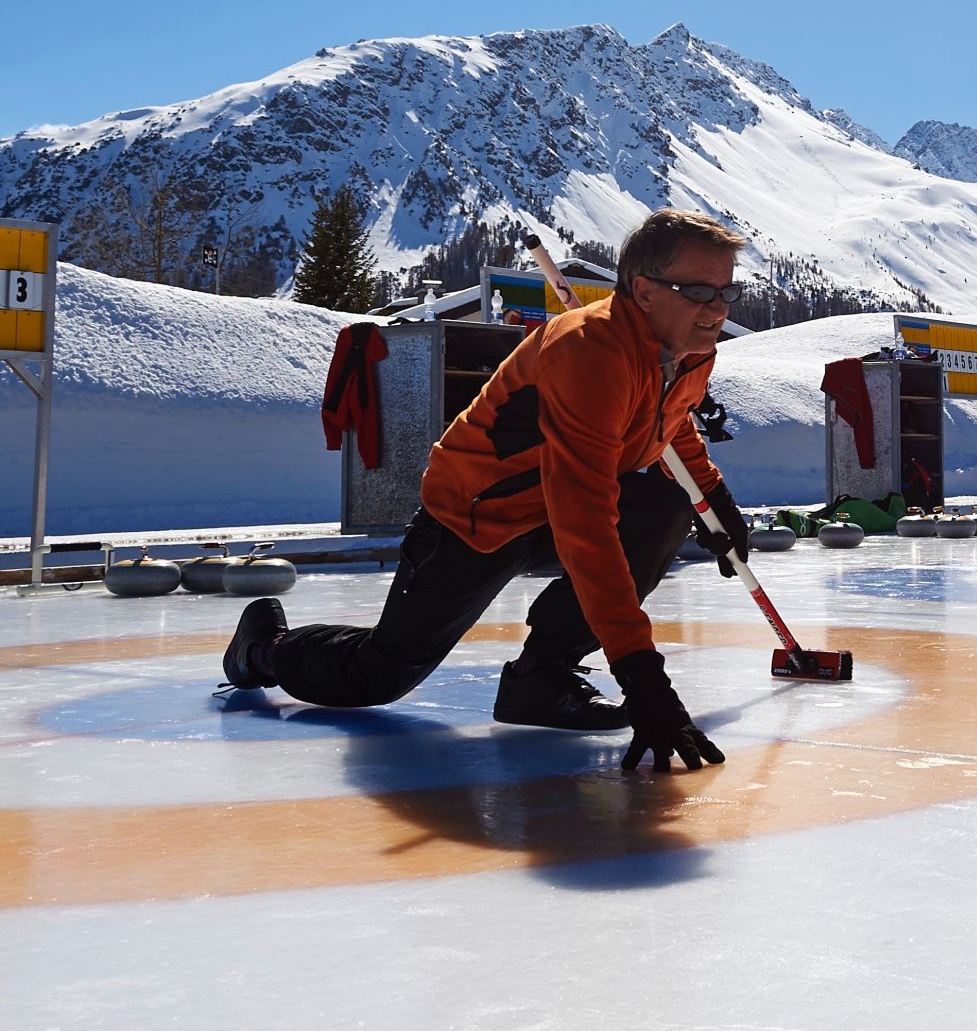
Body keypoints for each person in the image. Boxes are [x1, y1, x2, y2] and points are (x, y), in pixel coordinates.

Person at [220, 208, 754, 774]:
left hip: (552, 509)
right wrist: (642, 677)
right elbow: (586, 520)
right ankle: (264, 650)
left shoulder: (689, 345)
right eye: (699, 290)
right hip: (477, 518)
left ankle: (541, 677)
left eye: (727, 291)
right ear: (644, 291)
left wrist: (716, 504)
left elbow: (671, 425)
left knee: (663, 504)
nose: (718, 308)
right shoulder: (590, 353)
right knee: (379, 675)